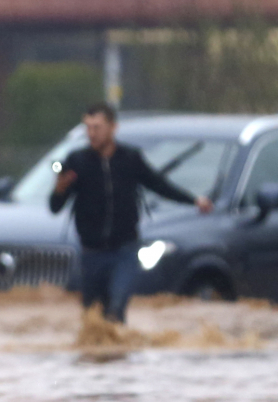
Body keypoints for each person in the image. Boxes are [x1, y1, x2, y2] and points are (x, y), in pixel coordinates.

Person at [49, 102, 213, 323]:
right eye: (87, 128)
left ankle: (120, 353)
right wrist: (59, 189)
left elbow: (159, 184)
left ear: (113, 127)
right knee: (93, 316)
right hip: (91, 253)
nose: (91, 133)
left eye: (97, 127)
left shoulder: (130, 158)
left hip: (124, 251)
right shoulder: (77, 162)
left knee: (116, 309)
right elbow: (55, 207)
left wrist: (194, 200)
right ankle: (99, 356)